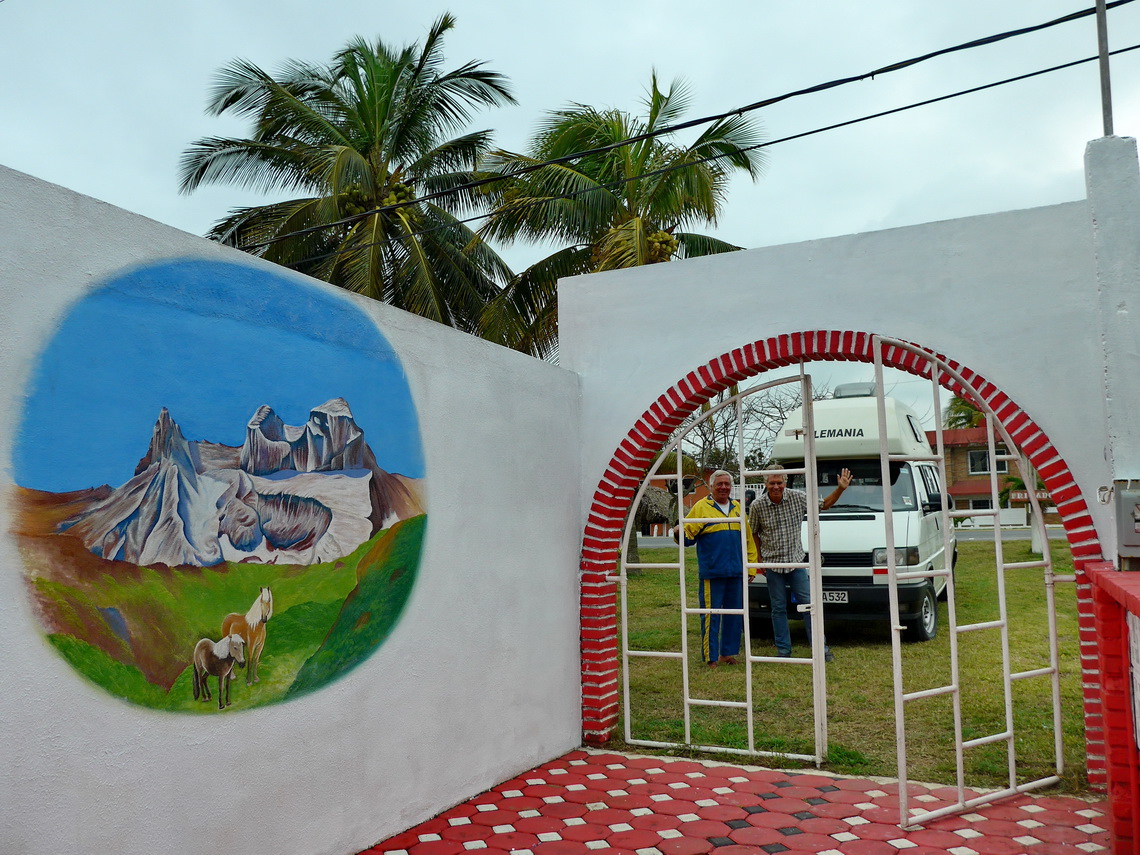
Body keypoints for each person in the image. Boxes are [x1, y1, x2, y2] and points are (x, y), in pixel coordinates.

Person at [748, 465, 852, 661]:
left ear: (785, 483)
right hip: (772, 564)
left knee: (808, 605)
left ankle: (821, 649)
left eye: (779, 482)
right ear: (766, 484)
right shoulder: (757, 505)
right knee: (778, 608)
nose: (776, 486)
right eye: (772, 483)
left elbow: (824, 505)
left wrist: (840, 488)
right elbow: (753, 532)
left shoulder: (797, 497)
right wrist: (759, 560)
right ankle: (783, 650)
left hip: (796, 562)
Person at [672, 470, 758, 667]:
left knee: (735, 615)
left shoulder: (738, 508)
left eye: (727, 484)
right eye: (719, 484)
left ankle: (727, 653)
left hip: (736, 572)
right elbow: (688, 538)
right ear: (711, 486)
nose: (723, 487)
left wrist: (751, 567)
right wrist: (677, 533)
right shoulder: (702, 507)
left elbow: (748, 541)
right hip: (713, 572)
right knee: (711, 616)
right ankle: (711, 657)